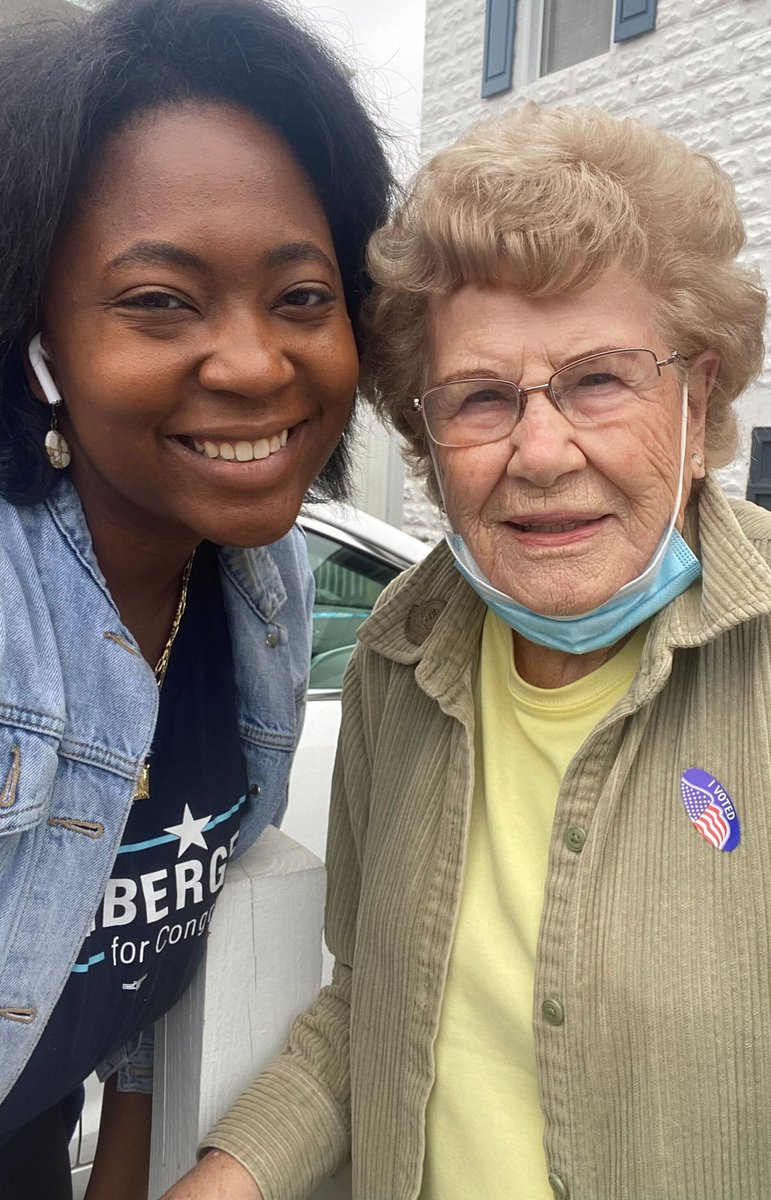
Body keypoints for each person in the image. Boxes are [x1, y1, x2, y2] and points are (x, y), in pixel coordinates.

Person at [167, 106, 771, 1200]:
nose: (542, 451)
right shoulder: (398, 659)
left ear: (697, 406)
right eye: (482, 399)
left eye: (600, 379)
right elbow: (368, 1008)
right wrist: (220, 1181)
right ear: (428, 442)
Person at [0, 0, 391, 1195]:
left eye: (302, 297)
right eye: (160, 301)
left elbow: (137, 1002)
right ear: (39, 337)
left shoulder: (254, 583)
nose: (255, 362)